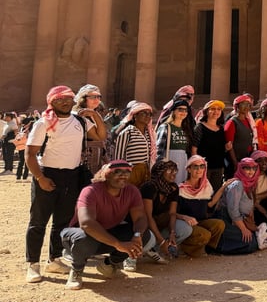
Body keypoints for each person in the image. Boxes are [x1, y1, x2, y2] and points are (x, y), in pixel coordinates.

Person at [24, 86, 105, 283]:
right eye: (60, 99)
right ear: (51, 102)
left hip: (71, 175)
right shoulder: (44, 123)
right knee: (38, 222)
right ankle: (33, 264)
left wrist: (95, 115)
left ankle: (54, 258)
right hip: (47, 174)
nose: (65, 102)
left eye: (68, 99)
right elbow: (30, 154)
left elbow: (101, 136)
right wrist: (40, 178)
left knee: (62, 221)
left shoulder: (80, 121)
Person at [60, 160, 151, 290]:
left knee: (144, 235)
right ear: (106, 175)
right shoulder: (90, 191)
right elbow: (86, 223)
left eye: (127, 172)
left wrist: (137, 235)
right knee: (83, 238)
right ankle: (76, 270)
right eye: (117, 172)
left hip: (107, 234)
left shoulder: (132, 191)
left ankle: (109, 265)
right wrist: (117, 244)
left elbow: (140, 217)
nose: (123, 175)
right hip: (80, 234)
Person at [137, 160, 197, 268]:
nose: (173, 173)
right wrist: (161, 241)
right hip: (145, 225)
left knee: (185, 229)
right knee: (144, 233)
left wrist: (172, 233)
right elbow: (147, 216)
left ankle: (154, 249)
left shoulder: (173, 188)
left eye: (175, 170)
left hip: (160, 223)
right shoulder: (149, 187)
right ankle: (148, 247)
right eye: (169, 170)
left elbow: (172, 213)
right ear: (160, 172)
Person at [176, 155, 229, 255]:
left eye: (202, 166)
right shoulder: (181, 189)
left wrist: (223, 187)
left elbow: (210, 204)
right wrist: (185, 217)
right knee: (204, 235)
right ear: (189, 169)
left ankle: (207, 250)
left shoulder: (205, 186)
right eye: (195, 167)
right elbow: (172, 212)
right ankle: (186, 249)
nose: (199, 169)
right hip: (187, 225)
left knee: (219, 224)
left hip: (200, 221)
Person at [212, 158, 261, 254]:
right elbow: (232, 210)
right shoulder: (237, 184)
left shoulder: (250, 183)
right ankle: (217, 247)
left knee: (254, 239)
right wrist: (243, 228)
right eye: (247, 168)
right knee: (251, 243)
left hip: (238, 220)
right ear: (241, 169)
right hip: (226, 219)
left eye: (253, 168)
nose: (251, 171)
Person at [113, 102, 157, 186]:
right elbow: (118, 156)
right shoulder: (127, 132)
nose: (148, 116)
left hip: (146, 172)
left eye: (150, 114)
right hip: (131, 173)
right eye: (144, 113)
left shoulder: (149, 134)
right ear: (135, 115)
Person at [191, 100, 229, 192]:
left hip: (218, 167)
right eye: (213, 109)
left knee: (215, 192)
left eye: (219, 109)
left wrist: (227, 148)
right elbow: (193, 149)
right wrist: (197, 166)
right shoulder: (199, 127)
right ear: (206, 111)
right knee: (202, 192)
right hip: (203, 168)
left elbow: (220, 148)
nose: (216, 111)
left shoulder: (221, 129)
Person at [156, 99, 193, 183]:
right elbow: (159, 149)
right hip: (170, 159)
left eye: (185, 110)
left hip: (183, 160)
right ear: (173, 111)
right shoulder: (165, 127)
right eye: (180, 109)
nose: (183, 112)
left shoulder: (186, 129)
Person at [224, 95, 256, 178]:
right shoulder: (232, 122)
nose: (246, 107)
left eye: (248, 105)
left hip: (246, 158)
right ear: (236, 107)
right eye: (243, 104)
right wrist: (235, 163)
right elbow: (229, 145)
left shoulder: (248, 121)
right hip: (236, 161)